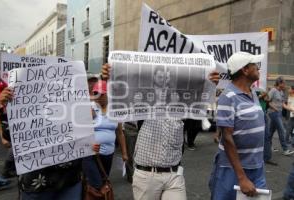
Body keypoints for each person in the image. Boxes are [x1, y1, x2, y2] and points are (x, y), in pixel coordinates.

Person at [101, 63, 220, 200]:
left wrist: (211, 84)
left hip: (174, 174)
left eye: (167, 77)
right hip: (147, 175)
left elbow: (201, 97)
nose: (164, 79)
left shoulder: (180, 102)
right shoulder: (143, 99)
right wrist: (108, 79)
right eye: (160, 75)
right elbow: (120, 96)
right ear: (153, 79)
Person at [0, 87, 99, 200]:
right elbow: (8, 136)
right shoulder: (26, 101)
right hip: (35, 183)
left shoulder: (70, 98)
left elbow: (88, 121)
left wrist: (88, 144)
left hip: (70, 179)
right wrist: (4, 106)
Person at [209, 51, 267, 199]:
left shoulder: (252, 92)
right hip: (232, 171)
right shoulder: (228, 97)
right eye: (255, 65)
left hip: (256, 167)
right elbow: (227, 138)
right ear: (245, 70)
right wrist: (241, 177)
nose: (258, 68)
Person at [82, 80, 128, 190]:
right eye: (96, 93)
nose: (99, 96)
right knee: (96, 184)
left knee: (104, 181)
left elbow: (120, 133)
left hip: (108, 153)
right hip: (91, 153)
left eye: (102, 94)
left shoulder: (115, 110)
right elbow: (80, 131)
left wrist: (124, 153)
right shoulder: (89, 107)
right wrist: (87, 116)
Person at [264, 77, 294, 165]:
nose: (285, 85)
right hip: (273, 113)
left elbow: (282, 104)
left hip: (278, 113)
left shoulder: (281, 92)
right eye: (283, 83)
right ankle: (285, 149)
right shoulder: (273, 90)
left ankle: (268, 147)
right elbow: (266, 100)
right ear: (279, 83)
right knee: (282, 130)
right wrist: (274, 108)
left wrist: (290, 109)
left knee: (270, 132)